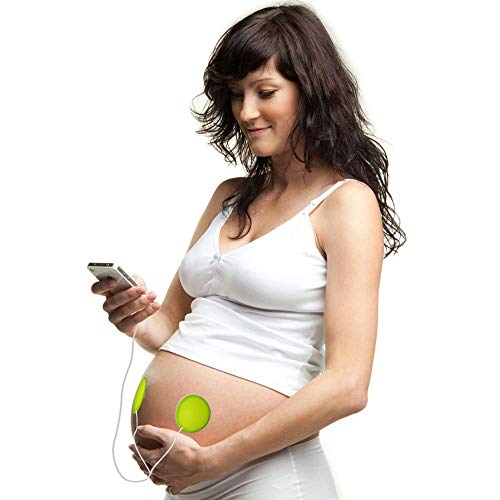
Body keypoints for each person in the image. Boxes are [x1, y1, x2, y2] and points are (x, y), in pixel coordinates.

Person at [93, 3, 406, 498]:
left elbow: (348, 385)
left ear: (310, 91)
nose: (245, 112)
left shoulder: (345, 204)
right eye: (237, 94)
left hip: (268, 477)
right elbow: (168, 327)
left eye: (265, 92)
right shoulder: (229, 196)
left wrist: (213, 458)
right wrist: (133, 316)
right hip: (188, 481)